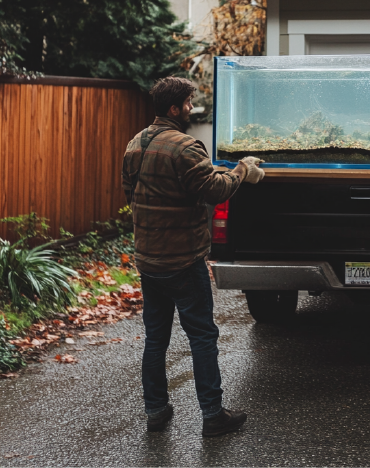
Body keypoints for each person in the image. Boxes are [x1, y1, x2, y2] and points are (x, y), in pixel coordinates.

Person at [122, 76, 264, 437]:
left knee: (156, 339)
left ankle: (156, 411)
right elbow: (215, 191)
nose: (191, 108)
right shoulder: (185, 147)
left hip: (148, 261)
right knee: (202, 335)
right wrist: (242, 169)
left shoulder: (134, 144)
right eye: (188, 102)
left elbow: (130, 195)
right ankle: (213, 416)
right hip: (183, 261)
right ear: (174, 108)